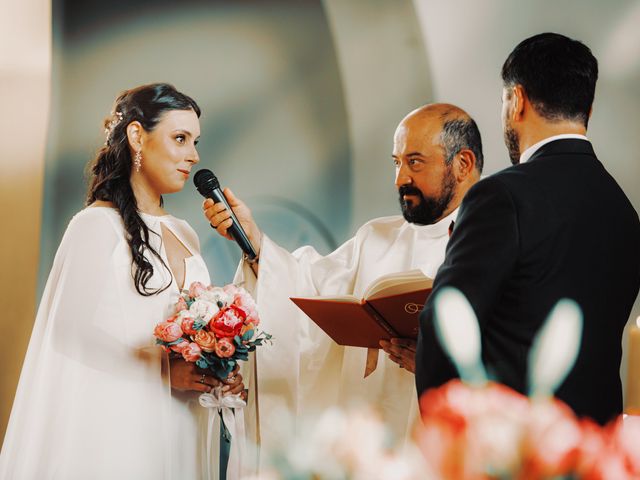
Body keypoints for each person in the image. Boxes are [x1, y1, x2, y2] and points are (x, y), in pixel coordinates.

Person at [202, 103, 483, 465]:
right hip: (371, 440)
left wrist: (435, 361)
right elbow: (306, 286)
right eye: (396, 162)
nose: (400, 178)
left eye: (415, 162)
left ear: (462, 164)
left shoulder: (493, 240)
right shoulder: (376, 237)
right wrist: (254, 241)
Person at [0, 83, 245, 479]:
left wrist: (216, 367)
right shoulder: (96, 226)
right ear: (136, 136)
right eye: (180, 138)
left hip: (182, 421)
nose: (194, 155)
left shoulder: (186, 232)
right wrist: (165, 371)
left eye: (195, 141)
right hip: (123, 423)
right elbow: (70, 331)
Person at [415, 33, 640, 425]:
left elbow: (445, 323)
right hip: (591, 447)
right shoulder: (623, 210)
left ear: (516, 100)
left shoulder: (501, 196)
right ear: (588, 106)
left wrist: (446, 438)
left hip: (513, 447)